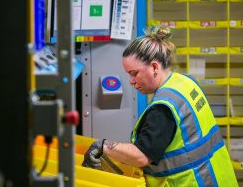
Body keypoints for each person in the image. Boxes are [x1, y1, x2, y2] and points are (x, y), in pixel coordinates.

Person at [82, 26, 238, 186]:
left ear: (155, 67)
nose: (131, 80)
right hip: (219, 176)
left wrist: (102, 145)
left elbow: (141, 156)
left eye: (134, 73)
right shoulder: (185, 82)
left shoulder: (163, 108)